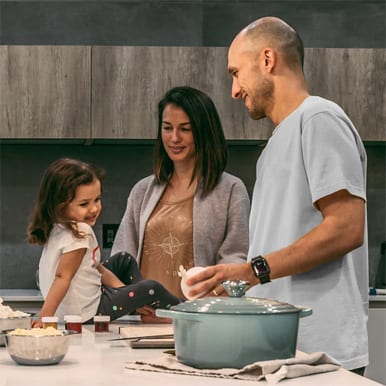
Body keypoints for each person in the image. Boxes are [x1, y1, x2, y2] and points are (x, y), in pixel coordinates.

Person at [186, 17, 368, 374]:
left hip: (319, 354)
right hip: (279, 349)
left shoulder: (318, 119)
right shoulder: (273, 147)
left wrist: (253, 271)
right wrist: (236, 283)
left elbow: (347, 228)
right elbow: (275, 254)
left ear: (267, 60)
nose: (234, 90)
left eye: (236, 73)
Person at [111, 86, 250, 319]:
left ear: (204, 133)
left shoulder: (231, 190)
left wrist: (214, 294)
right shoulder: (142, 191)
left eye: (185, 129)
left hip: (199, 322)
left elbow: (235, 260)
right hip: (141, 322)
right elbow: (121, 257)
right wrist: (128, 299)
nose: (174, 138)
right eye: (167, 128)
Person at [28, 158, 180, 327]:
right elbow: (62, 277)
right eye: (84, 204)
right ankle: (185, 313)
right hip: (87, 312)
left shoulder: (57, 227)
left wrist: (130, 296)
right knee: (151, 288)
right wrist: (44, 317)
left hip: (77, 308)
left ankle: (144, 309)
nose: (94, 208)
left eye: (97, 199)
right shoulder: (80, 232)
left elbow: (97, 268)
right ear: (60, 204)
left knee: (124, 260)